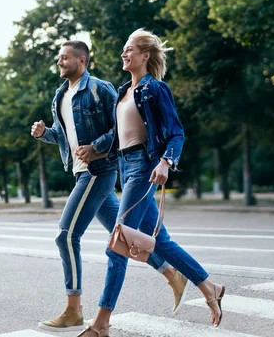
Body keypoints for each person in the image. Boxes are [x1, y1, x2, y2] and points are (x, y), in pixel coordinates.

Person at [30, 40, 190, 332]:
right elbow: (65, 136)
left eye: (64, 58)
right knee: (127, 238)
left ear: (82, 60)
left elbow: (118, 129)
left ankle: (73, 309)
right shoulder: (60, 96)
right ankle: (172, 274)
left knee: (65, 236)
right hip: (80, 172)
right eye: (58, 58)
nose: (59, 62)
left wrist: (96, 148)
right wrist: (44, 134)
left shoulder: (100, 89)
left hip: (99, 171)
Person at [76, 30, 226, 337]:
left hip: (144, 169)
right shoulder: (122, 92)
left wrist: (165, 161)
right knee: (163, 242)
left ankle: (101, 323)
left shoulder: (155, 89)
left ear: (146, 56)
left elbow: (176, 132)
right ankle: (209, 286)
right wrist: (94, 147)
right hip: (126, 167)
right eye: (123, 49)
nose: (124, 54)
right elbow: (119, 135)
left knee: (118, 245)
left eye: (129, 49)